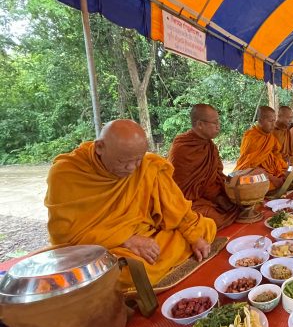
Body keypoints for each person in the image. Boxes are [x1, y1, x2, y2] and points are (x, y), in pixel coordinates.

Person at [45, 119, 217, 286]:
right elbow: (66, 239)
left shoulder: (148, 165)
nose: (132, 168)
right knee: (129, 270)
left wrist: (194, 236)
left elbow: (176, 207)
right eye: (123, 161)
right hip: (108, 247)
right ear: (99, 147)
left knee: (205, 227)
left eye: (137, 160)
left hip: (147, 234)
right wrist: (126, 239)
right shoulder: (65, 174)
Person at [168, 104, 240, 230]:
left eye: (218, 121)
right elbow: (180, 190)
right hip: (189, 201)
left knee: (241, 203)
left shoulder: (210, 146)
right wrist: (217, 198)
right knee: (213, 219)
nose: (219, 126)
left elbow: (216, 176)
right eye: (215, 122)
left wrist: (222, 195)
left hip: (211, 196)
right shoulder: (182, 147)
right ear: (200, 124)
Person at [234, 106, 288, 190]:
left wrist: (282, 170)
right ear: (260, 121)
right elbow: (248, 166)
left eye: (274, 121)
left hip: (272, 171)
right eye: (270, 121)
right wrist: (272, 178)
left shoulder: (270, 137)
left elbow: (276, 155)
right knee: (258, 183)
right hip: (258, 174)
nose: (273, 124)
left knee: (290, 175)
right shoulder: (251, 137)